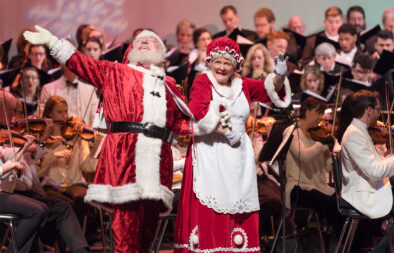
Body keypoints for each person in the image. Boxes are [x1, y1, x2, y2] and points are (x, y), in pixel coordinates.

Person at [24, 25, 190, 252]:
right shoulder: (115, 72)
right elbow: (80, 63)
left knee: (147, 233)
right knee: (126, 230)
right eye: (139, 40)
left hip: (157, 164)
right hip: (125, 158)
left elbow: (182, 122)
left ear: (160, 51)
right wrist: (52, 42)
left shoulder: (169, 85)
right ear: (130, 49)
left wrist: (214, 127)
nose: (143, 41)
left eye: (150, 40)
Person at [174, 37, 291, 252]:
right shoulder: (203, 81)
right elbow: (197, 112)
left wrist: (280, 75)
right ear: (209, 62)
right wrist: (225, 131)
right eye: (217, 62)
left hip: (237, 157)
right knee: (211, 206)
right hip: (211, 152)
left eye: (226, 63)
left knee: (237, 206)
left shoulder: (243, 84)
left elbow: (269, 91)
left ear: (235, 65)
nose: (221, 67)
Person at [337, 90, 394, 253]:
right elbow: (374, 171)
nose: (380, 114)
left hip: (374, 188)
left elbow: (376, 164)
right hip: (363, 194)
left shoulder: (360, 130)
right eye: (378, 110)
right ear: (369, 110)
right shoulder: (354, 134)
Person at [284, 97, 343, 235]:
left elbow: (328, 167)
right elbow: (304, 156)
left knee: (344, 201)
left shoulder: (315, 135)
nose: (321, 117)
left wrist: (335, 152)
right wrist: (321, 143)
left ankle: (348, 241)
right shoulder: (291, 131)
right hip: (298, 187)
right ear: (307, 111)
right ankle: (342, 242)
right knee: (332, 205)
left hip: (318, 186)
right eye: (318, 112)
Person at [0, 90, 49, 253]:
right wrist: (10, 166)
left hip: (5, 190)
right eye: (10, 110)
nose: (14, 116)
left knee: (42, 209)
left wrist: (26, 147)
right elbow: (6, 167)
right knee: (37, 211)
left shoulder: (8, 135)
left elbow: (13, 162)